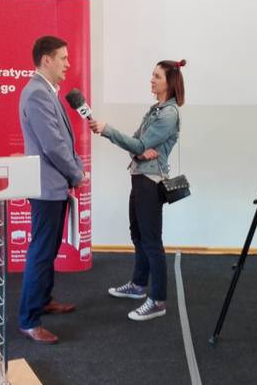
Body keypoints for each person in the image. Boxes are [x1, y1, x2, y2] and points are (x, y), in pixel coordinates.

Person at [88, 59, 186, 321]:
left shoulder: (168, 114)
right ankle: (138, 285)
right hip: (139, 177)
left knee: (151, 241)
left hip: (150, 182)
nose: (151, 80)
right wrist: (139, 151)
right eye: (152, 75)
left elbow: (139, 144)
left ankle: (158, 301)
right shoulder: (155, 109)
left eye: (157, 76)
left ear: (170, 83)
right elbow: (136, 143)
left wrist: (108, 131)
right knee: (138, 234)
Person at [18, 35, 88, 344]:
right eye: (63, 58)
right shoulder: (37, 93)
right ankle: (29, 320)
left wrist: (75, 170)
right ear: (46, 60)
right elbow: (53, 146)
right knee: (42, 251)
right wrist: (76, 174)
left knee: (47, 249)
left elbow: (63, 141)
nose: (68, 64)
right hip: (47, 188)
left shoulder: (46, 91)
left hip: (54, 186)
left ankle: (43, 300)